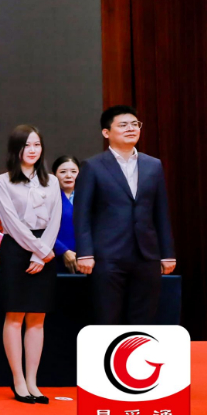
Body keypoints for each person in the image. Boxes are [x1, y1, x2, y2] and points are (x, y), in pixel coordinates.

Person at [74, 105, 176, 324]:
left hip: (146, 255)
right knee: (107, 318)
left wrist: (167, 253)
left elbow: (161, 212)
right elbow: (82, 214)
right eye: (123, 125)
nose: (131, 129)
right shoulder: (92, 166)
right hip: (107, 256)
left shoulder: (153, 165)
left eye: (135, 124)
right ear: (106, 132)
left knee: (143, 319)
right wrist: (85, 253)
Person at [0, 125, 62, 404]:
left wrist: (41, 254)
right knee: (15, 316)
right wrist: (40, 251)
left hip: (44, 251)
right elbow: (12, 223)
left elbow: (55, 219)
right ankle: (18, 381)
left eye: (37, 144)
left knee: (37, 318)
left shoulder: (52, 181)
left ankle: (33, 381)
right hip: (16, 250)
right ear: (16, 149)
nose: (32, 150)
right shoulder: (3, 181)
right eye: (26, 145)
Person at [51, 156, 81, 272]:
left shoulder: (90, 197)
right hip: (54, 257)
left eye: (73, 171)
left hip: (85, 260)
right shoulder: (46, 198)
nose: (69, 175)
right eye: (63, 172)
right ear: (54, 175)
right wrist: (63, 250)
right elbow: (40, 229)